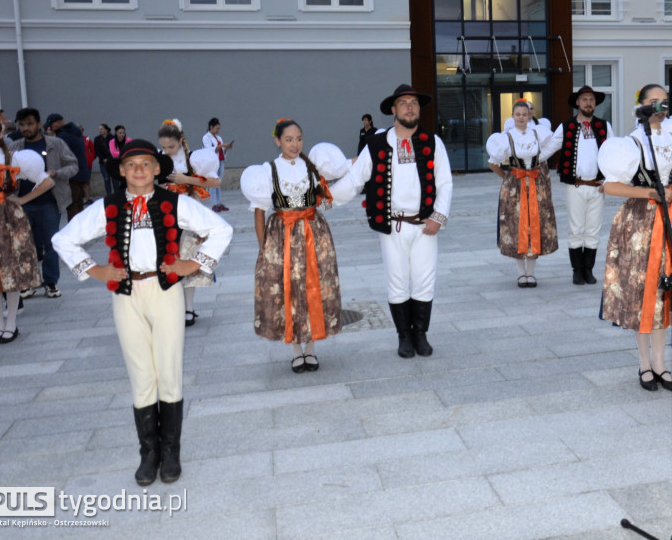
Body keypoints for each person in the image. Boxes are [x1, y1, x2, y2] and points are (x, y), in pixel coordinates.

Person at [52, 140, 232, 486]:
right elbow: (64, 239)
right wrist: (95, 270)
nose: (138, 170)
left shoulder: (173, 201)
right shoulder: (108, 205)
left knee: (169, 367)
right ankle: (148, 454)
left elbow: (220, 229)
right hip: (127, 293)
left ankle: (171, 453)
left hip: (165, 290)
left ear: (156, 169)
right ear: (120, 171)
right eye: (131, 165)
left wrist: (192, 263)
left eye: (146, 164)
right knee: (140, 372)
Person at [599, 84, 672, 391]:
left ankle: (661, 363)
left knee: (668, 292)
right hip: (641, 223)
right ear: (641, 106)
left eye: (663, 102)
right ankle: (644, 364)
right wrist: (649, 192)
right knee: (642, 292)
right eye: (652, 102)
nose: (659, 108)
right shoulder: (629, 143)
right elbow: (609, 186)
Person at [330, 84, 453, 359]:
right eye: (404, 103)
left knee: (424, 279)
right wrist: (323, 199)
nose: (409, 107)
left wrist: (438, 217)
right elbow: (353, 180)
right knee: (397, 280)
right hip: (392, 225)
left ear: (418, 109)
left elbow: (445, 182)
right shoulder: (376, 143)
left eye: (413, 103)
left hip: (425, 225)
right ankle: (404, 336)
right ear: (394, 110)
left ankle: (420, 333)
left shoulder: (433, 142)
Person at [241, 119, 350, 373]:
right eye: (288, 139)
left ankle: (311, 349)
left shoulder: (312, 166)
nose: (295, 144)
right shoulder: (268, 171)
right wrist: (263, 248)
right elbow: (259, 212)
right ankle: (295, 351)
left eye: (299, 138)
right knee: (288, 290)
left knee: (313, 286)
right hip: (282, 235)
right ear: (277, 140)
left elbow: (326, 197)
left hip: (313, 232)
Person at [0, 115, 56, 343]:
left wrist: (23, 200)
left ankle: (11, 323)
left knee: (9, 268)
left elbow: (46, 181)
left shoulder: (15, 158)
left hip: (8, 217)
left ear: (1, 133)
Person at [486, 100, 562, 287]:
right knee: (516, 227)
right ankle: (521, 272)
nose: (521, 118)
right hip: (515, 187)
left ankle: (531, 272)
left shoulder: (538, 133)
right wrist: (506, 176)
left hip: (537, 184)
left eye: (524, 114)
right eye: (518, 114)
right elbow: (492, 163)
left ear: (529, 116)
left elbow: (546, 152)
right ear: (513, 117)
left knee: (535, 225)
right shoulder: (506, 137)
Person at [157, 118, 222, 326]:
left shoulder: (194, 159)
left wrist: (187, 180)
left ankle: (188, 308)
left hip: (189, 211)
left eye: (171, 146)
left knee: (187, 257)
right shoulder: (157, 159)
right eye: (164, 146)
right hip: (164, 211)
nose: (167, 150)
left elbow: (215, 181)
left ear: (181, 141)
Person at [11, 108, 79, 299]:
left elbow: (73, 165)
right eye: (22, 125)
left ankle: (51, 282)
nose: (26, 128)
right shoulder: (14, 147)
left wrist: (57, 173)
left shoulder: (55, 144)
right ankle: (28, 283)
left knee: (51, 243)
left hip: (49, 201)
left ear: (39, 124)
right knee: (24, 245)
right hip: (21, 202)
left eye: (30, 124)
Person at [556, 86, 612, 285]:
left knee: (594, 229)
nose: (589, 103)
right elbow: (548, 147)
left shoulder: (605, 126)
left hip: (597, 186)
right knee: (576, 228)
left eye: (591, 100)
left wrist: (611, 178)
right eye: (585, 99)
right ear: (577, 103)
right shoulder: (566, 127)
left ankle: (588, 270)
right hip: (576, 186)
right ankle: (577, 270)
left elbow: (612, 153)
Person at [44, 113, 91, 219]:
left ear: (59, 123)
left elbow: (55, 152)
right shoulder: (74, 132)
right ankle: (80, 231)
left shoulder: (63, 136)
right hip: (81, 173)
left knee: (72, 205)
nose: (49, 128)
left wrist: (51, 137)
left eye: (51, 125)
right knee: (78, 204)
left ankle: (74, 232)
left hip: (72, 175)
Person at [202, 118, 232, 211]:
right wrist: (222, 146)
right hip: (212, 162)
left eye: (219, 129)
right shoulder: (206, 137)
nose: (218, 130)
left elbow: (221, 150)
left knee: (218, 182)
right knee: (213, 182)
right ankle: (214, 203)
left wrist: (226, 148)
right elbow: (209, 149)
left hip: (220, 161)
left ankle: (219, 203)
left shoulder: (218, 138)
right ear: (211, 127)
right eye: (216, 128)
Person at [95, 124, 116, 196]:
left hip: (113, 162)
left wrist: (109, 159)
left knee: (115, 179)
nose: (100, 131)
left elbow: (115, 150)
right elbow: (97, 150)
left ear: (106, 130)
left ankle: (117, 195)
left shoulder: (113, 138)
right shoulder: (97, 139)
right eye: (99, 129)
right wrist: (103, 158)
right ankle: (109, 195)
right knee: (106, 179)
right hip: (103, 162)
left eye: (101, 129)